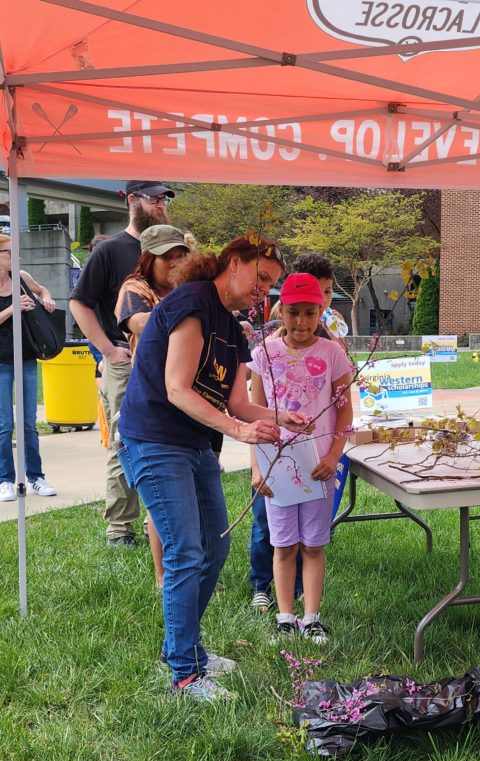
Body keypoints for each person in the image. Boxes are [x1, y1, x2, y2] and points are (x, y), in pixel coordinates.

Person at [117, 234, 305, 702]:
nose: (265, 291)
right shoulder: (193, 302)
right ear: (234, 263)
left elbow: (239, 401)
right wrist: (239, 433)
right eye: (261, 278)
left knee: (215, 548)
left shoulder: (234, 326)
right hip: (154, 438)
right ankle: (184, 673)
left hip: (195, 443)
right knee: (185, 550)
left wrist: (280, 418)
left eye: (271, 284)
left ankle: (184, 649)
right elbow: (178, 388)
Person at [70, 180, 175, 548]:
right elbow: (79, 302)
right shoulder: (111, 250)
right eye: (154, 198)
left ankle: (161, 518)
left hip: (171, 363)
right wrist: (107, 351)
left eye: (165, 199)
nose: (161, 204)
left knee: (167, 441)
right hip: (126, 360)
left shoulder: (174, 248)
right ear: (133, 201)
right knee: (125, 440)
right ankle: (119, 528)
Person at [250, 273, 353, 644]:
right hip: (277, 464)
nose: (302, 322)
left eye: (310, 313)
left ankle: (311, 616)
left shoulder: (333, 354)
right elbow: (255, 411)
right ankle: (284, 615)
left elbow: (344, 413)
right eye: (294, 313)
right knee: (283, 544)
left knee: (312, 544)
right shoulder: (264, 354)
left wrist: (333, 454)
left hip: (319, 465)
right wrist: (257, 466)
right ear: (282, 312)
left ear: (321, 311)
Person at [115, 224, 191, 586]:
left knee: (187, 494)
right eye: (167, 257)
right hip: (152, 404)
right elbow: (141, 323)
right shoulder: (135, 288)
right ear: (148, 259)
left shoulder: (186, 290)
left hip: (188, 400)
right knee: (161, 499)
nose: (175, 263)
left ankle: (188, 570)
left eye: (180, 255)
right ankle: (164, 576)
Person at [0, 233, 58, 502]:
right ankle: (5, 480)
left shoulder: (21, 277)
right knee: (4, 425)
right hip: (1, 363)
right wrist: (13, 308)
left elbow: (42, 289)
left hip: (27, 359)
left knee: (29, 424)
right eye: (10, 252)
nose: (15, 257)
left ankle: (35, 477)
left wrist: (45, 298)